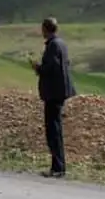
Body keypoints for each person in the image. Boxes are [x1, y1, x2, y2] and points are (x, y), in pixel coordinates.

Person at [31, 17, 76, 177]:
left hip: (53, 93)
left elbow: (51, 68)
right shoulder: (61, 44)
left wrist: (38, 68)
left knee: (53, 131)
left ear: (45, 29)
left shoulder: (52, 46)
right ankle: (59, 166)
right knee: (55, 129)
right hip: (60, 91)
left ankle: (57, 168)